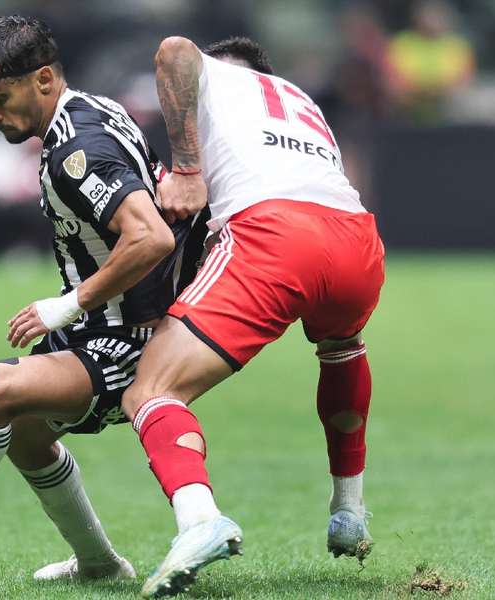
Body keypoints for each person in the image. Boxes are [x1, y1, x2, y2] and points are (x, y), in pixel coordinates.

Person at [0, 15, 206, 583]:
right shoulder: (89, 110)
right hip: (102, 324)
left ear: (43, 79)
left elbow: (150, 236)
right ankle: (99, 565)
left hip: (128, 338)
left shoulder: (78, 149)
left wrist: (68, 303)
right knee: (21, 430)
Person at [119, 36, 386, 597]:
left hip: (274, 232)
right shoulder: (298, 98)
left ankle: (199, 520)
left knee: (151, 391)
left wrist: (187, 166)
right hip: (358, 240)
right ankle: (349, 509)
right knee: (341, 348)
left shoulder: (214, 74)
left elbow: (172, 51)